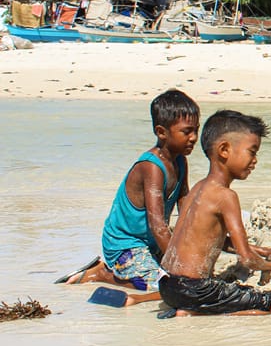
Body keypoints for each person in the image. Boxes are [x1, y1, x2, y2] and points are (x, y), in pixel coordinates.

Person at [58, 90, 199, 306]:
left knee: (189, 276)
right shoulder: (151, 167)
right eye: (187, 132)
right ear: (162, 132)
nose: (194, 138)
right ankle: (101, 274)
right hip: (124, 245)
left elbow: (185, 206)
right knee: (160, 285)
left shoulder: (180, 161)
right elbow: (157, 225)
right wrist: (178, 263)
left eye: (196, 130)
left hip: (150, 243)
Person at [159, 110, 271, 316]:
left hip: (166, 285)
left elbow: (218, 241)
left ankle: (190, 310)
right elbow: (246, 258)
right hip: (194, 290)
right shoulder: (226, 196)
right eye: (252, 151)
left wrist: (266, 251)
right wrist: (269, 267)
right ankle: (195, 314)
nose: (255, 160)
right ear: (224, 150)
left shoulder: (197, 189)